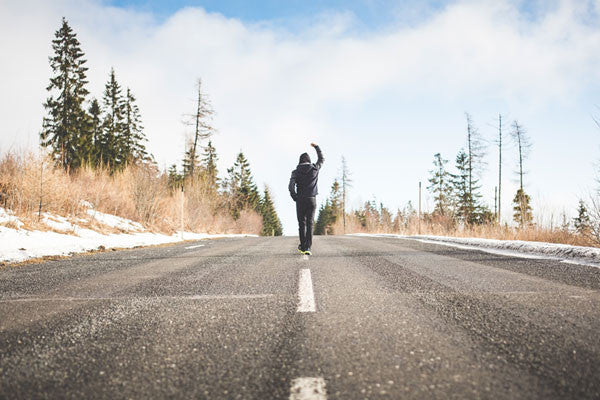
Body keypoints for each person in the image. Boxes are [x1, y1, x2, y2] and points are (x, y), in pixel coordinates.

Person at [288, 143, 324, 255]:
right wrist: (317, 147)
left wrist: (295, 197)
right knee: (310, 223)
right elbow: (321, 159)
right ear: (309, 160)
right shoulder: (314, 168)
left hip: (300, 200)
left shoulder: (295, 172)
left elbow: (290, 186)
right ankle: (308, 248)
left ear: (300, 161)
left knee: (301, 224)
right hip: (312, 199)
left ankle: (302, 246)